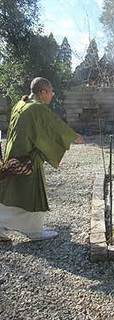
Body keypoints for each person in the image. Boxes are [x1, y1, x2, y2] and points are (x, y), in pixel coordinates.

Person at [0, 77, 84, 242]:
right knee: (31, 193)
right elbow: (53, 126)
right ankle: (34, 231)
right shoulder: (37, 108)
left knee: (10, 191)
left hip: (13, 156)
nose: (52, 95)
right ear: (43, 92)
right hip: (27, 158)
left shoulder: (21, 104)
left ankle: (1, 225)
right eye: (51, 92)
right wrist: (73, 137)